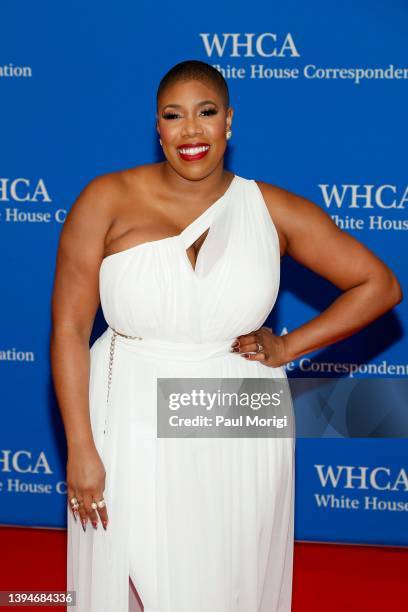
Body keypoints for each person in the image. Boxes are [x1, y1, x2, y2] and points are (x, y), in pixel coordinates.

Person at [50, 59, 402, 612]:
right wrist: (79, 447)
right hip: (130, 406)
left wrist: (288, 346)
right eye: (174, 116)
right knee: (130, 577)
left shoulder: (270, 208)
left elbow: (378, 285)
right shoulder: (106, 200)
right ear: (158, 128)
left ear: (229, 123)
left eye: (206, 113)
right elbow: (69, 328)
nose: (191, 130)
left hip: (237, 413)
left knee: (222, 579)